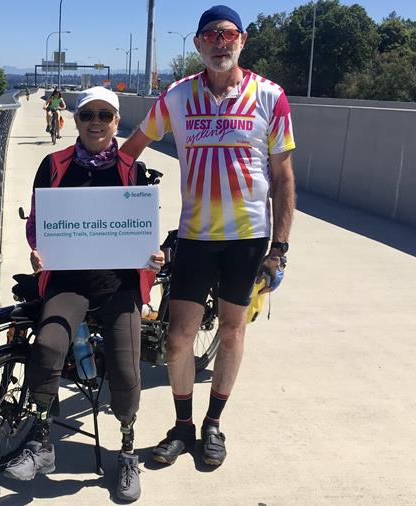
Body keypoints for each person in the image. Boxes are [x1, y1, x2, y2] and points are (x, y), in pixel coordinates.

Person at [121, 4, 296, 468]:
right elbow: (131, 151)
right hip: (196, 237)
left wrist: (279, 248)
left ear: (242, 41)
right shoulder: (177, 97)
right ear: (198, 45)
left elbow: (282, 179)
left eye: (229, 34)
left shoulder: (270, 97)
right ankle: (182, 427)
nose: (221, 43)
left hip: (248, 239)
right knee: (179, 338)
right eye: (211, 36)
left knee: (234, 333)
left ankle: (213, 424)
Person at [4, 86, 164, 502]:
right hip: (68, 282)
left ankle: (127, 454)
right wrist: (38, 250)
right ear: (76, 120)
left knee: (127, 370)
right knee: (48, 347)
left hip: (118, 285)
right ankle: (42, 444)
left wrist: (153, 256)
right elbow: (38, 221)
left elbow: (144, 229)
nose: (96, 122)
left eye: (105, 116)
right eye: (88, 115)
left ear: (116, 122)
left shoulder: (132, 168)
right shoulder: (54, 165)